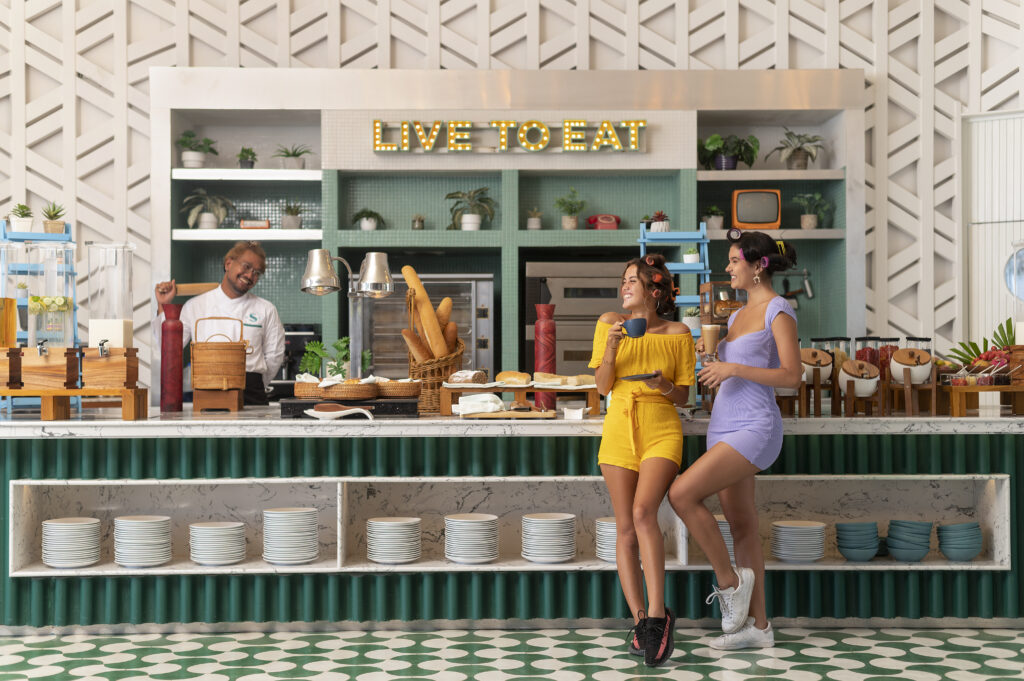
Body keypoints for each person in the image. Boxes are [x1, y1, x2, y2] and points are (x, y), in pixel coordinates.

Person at [667, 230, 802, 650]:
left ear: (758, 265)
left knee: (681, 494)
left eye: (732, 261)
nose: (727, 269)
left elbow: (792, 377)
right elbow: (729, 370)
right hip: (723, 423)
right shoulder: (735, 316)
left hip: (755, 427)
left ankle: (730, 584)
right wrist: (713, 365)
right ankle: (759, 628)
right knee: (742, 526)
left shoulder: (778, 312)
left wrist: (733, 370)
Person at [589, 254, 695, 668]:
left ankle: (657, 613)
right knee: (625, 528)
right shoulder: (607, 324)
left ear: (654, 291)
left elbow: (684, 395)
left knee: (643, 511)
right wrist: (613, 346)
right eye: (623, 280)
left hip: (661, 426)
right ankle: (641, 623)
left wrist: (664, 384)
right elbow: (602, 387)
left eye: (632, 280)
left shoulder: (678, 332)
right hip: (618, 428)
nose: (624, 286)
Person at [154, 241, 285, 406]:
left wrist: (252, 382)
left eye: (256, 272)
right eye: (246, 266)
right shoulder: (195, 306)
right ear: (228, 263)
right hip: (207, 391)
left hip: (251, 394)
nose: (250, 275)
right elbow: (169, 349)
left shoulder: (266, 309)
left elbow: (275, 356)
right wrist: (163, 305)